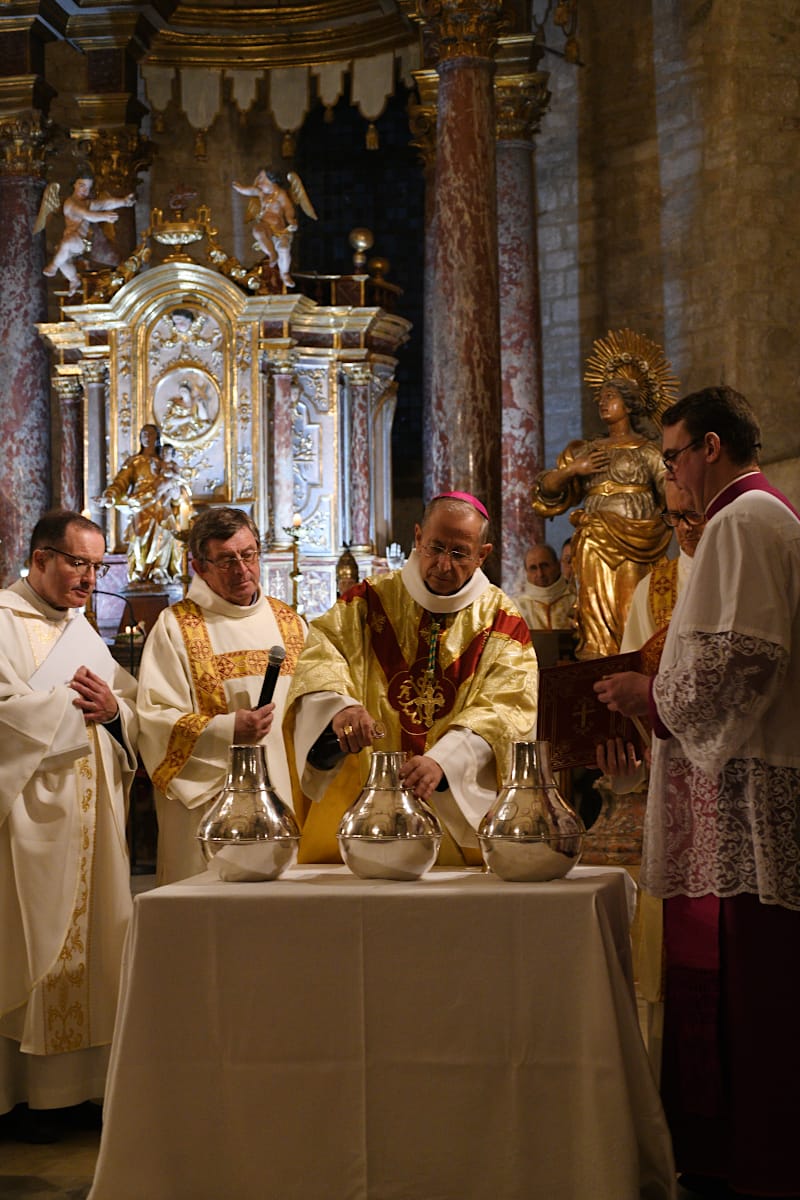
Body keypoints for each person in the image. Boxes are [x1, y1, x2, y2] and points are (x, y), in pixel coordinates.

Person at [594, 386, 800, 1199]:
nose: (668, 474)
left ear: (710, 447)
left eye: (674, 455)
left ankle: (762, 1169)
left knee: (759, 1002)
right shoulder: (766, 517)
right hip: (746, 783)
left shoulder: (743, 521)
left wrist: (654, 701)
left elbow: (744, 657)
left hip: (749, 801)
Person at [284, 492, 539, 865]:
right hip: (363, 803)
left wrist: (444, 761)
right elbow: (322, 655)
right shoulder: (366, 602)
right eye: (435, 547)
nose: (443, 564)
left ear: (482, 554)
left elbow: (508, 707)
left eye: (459, 552)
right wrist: (339, 707)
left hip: (455, 811)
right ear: (418, 537)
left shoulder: (502, 621)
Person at [0, 511, 138, 1139]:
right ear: (40, 558)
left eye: (97, 566)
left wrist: (113, 713)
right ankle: (28, 1096)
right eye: (78, 563)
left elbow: (125, 704)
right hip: (32, 819)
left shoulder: (81, 629)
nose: (89, 579)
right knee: (32, 941)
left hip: (94, 814)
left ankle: (84, 1091)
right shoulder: (3, 620)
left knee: (98, 945)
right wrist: (70, 707)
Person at [596, 478, 706, 1082]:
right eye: (676, 520)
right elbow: (631, 679)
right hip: (670, 782)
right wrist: (628, 761)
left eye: (694, 516)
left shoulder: (749, 569)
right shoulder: (655, 587)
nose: (687, 531)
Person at [136, 506, 306, 884]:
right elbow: (153, 720)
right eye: (227, 560)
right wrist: (228, 729)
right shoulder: (177, 627)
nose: (242, 569)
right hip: (208, 807)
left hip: (282, 797)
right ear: (200, 567)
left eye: (248, 555)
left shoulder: (289, 623)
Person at [533, 376, 670, 658]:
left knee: (630, 607)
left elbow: (671, 493)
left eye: (610, 397)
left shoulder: (647, 450)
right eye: (601, 398)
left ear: (629, 404)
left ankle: (636, 658)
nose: (603, 403)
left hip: (637, 544)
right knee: (594, 609)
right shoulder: (587, 452)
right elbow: (546, 492)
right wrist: (573, 470)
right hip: (593, 544)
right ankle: (596, 658)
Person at [98, 423, 182, 586]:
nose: (146, 437)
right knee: (139, 538)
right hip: (140, 505)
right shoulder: (134, 462)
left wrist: (174, 492)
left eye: (150, 434)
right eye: (143, 434)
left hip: (161, 506)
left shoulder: (166, 462)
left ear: (157, 439)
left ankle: (160, 569)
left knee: (163, 535)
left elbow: (178, 487)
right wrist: (110, 496)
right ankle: (140, 571)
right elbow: (120, 483)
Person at [37, 167, 135, 297]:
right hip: (71, 239)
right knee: (63, 257)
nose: (85, 190)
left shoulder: (87, 203)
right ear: (74, 185)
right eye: (81, 186)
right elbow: (87, 215)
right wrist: (104, 217)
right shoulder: (70, 203)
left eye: (88, 187)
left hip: (81, 241)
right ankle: (73, 280)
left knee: (66, 245)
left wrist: (124, 202)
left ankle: (53, 267)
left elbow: (105, 204)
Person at [232, 168, 316, 288]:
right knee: (258, 231)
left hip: (279, 228)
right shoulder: (261, 193)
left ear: (271, 180)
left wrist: (291, 219)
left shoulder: (281, 194)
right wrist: (239, 188)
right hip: (265, 224)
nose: (258, 182)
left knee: (283, 248)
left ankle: (285, 274)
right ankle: (272, 254)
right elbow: (250, 191)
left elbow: (288, 208)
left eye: (262, 178)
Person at [512, 543, 574, 631]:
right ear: (526, 572)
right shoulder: (516, 607)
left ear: (557, 565)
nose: (540, 574)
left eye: (545, 566)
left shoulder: (575, 602)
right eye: (533, 568)